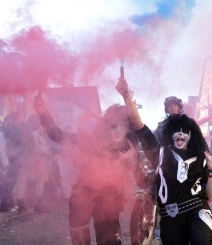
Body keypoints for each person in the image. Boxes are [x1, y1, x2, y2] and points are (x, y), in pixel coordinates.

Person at [116, 77, 212, 245]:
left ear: (192, 134)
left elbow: (210, 195)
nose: (180, 134)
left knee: (203, 241)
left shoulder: (201, 155)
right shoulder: (160, 152)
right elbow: (139, 125)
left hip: (197, 210)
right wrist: (126, 95)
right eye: (175, 131)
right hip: (171, 215)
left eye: (184, 131)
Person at [34, 95, 141, 245]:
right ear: (106, 127)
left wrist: (133, 162)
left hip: (110, 199)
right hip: (83, 194)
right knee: (79, 235)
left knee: (109, 241)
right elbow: (58, 135)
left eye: (122, 126)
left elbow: (143, 182)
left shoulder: (129, 149)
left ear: (128, 129)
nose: (117, 129)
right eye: (113, 126)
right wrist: (43, 113)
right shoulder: (91, 141)